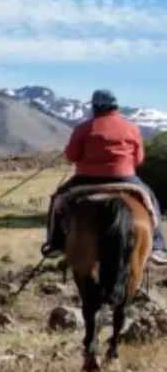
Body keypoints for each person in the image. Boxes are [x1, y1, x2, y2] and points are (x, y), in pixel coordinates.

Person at [42, 90, 167, 265]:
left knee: (57, 200)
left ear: (95, 107)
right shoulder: (131, 128)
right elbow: (138, 159)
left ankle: (55, 243)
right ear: (116, 106)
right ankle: (157, 246)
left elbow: (72, 156)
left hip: (86, 179)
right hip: (124, 177)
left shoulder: (83, 128)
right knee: (151, 199)